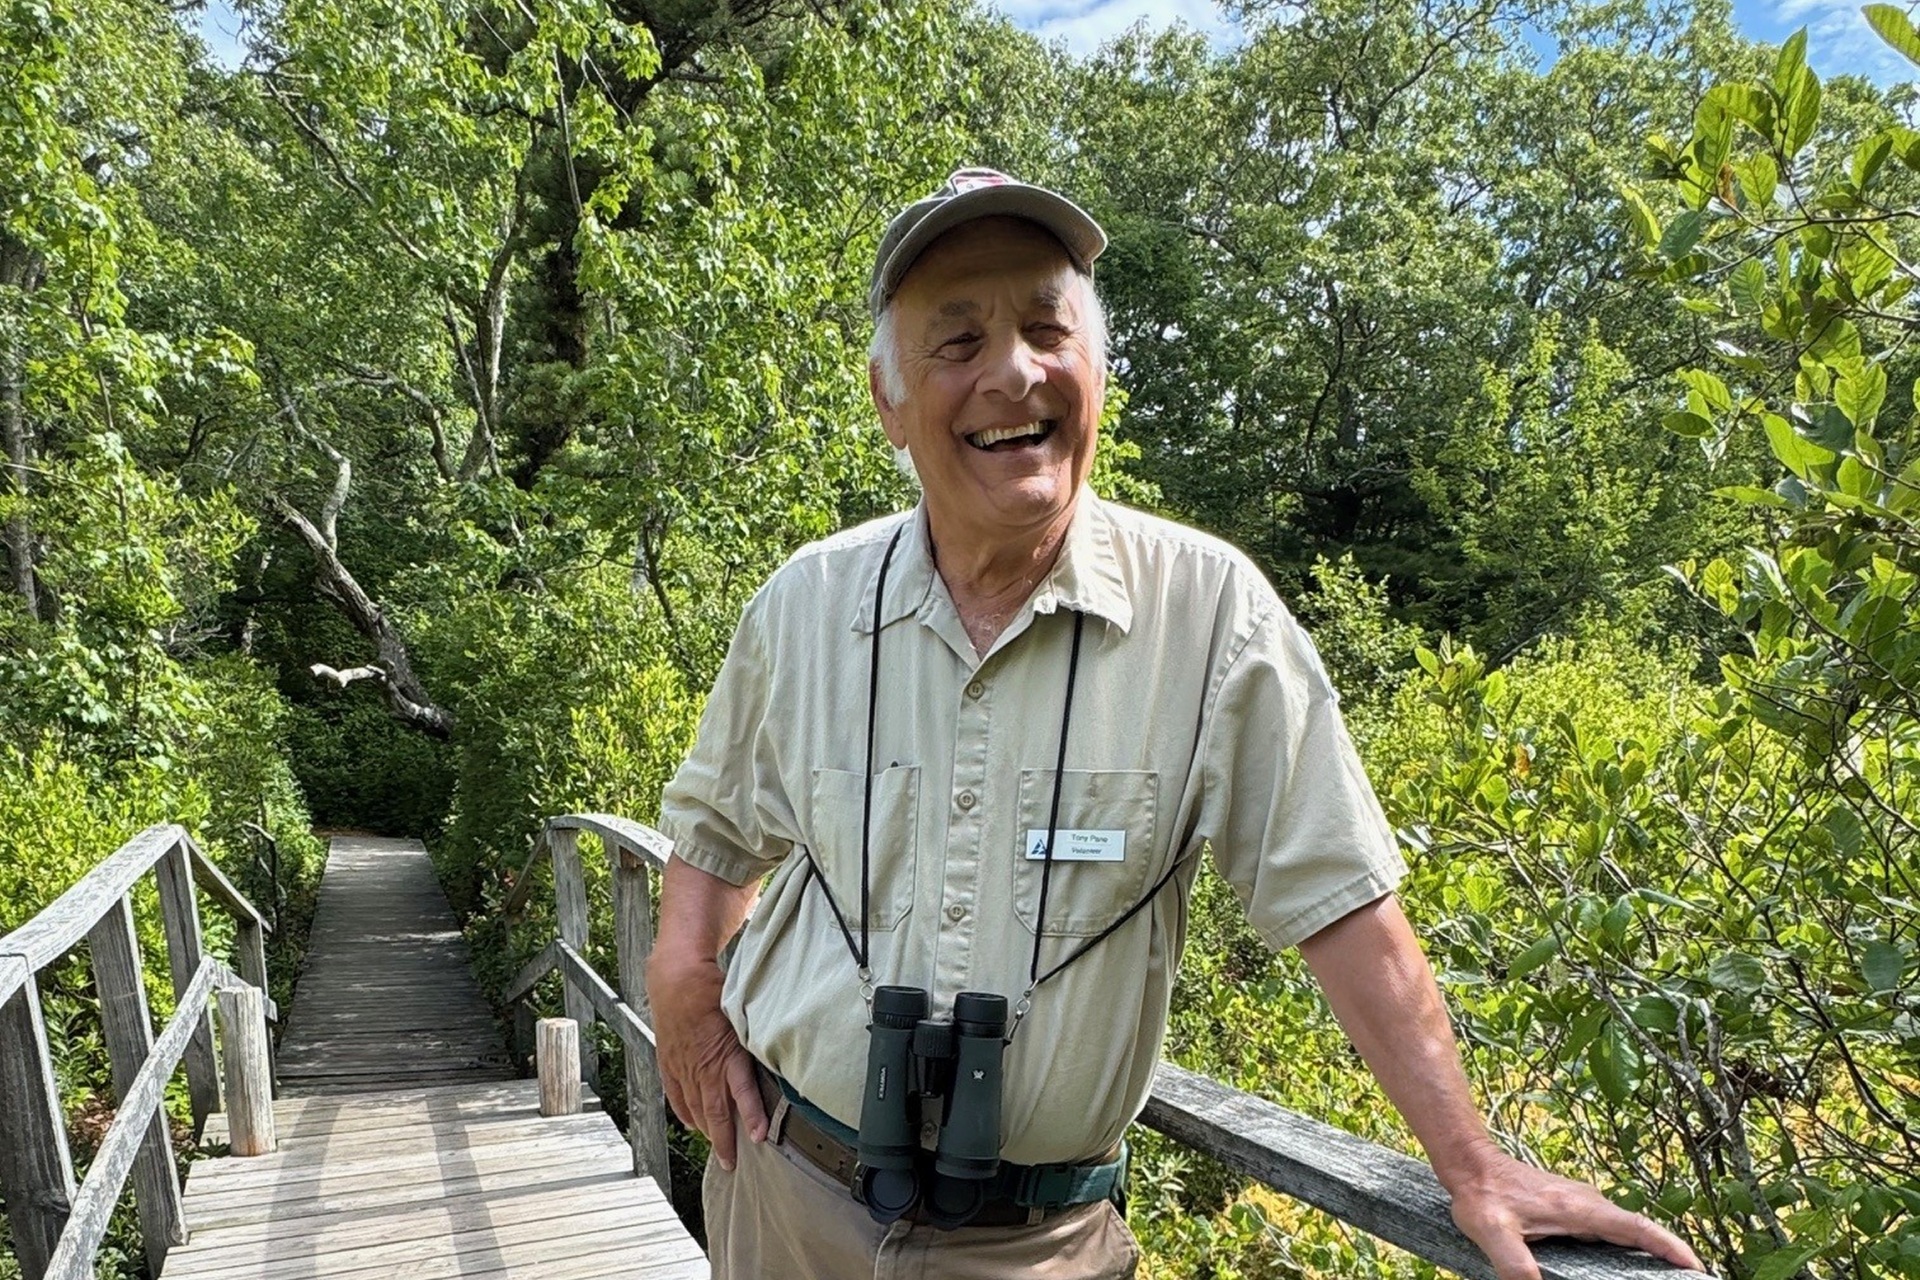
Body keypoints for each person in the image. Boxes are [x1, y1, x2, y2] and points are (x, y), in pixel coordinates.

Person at [646, 167, 1706, 1280]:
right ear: (891, 401)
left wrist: (1473, 1159)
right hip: (781, 1194)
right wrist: (683, 977)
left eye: (1047, 327)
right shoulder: (805, 605)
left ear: (1098, 369)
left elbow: (1340, 900)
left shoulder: (1213, 614)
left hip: (1044, 1246)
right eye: (955, 343)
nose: (1012, 370)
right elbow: (716, 829)